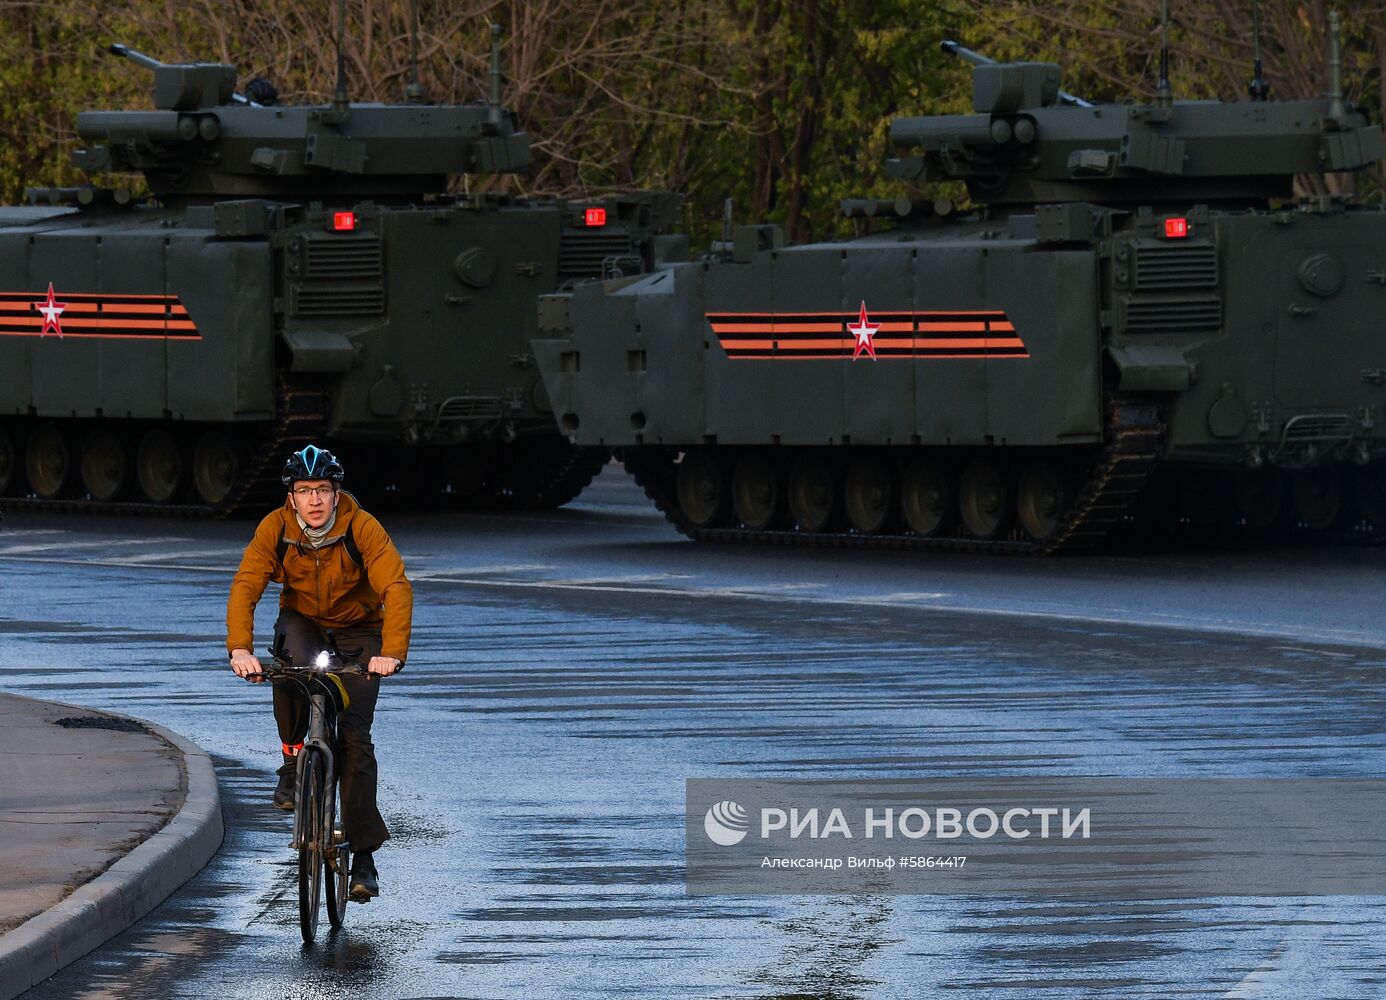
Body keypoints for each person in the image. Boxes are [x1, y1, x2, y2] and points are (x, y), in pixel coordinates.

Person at [226, 444, 412, 902]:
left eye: (323, 490)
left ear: (336, 493)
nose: (314, 500)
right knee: (288, 671)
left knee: (353, 737)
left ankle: (364, 857)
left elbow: (395, 585)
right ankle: (292, 763)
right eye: (304, 490)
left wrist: (390, 653)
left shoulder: (362, 526)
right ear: (291, 497)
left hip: (359, 633)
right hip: (304, 624)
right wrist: (240, 649)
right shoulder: (276, 527)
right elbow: (247, 583)